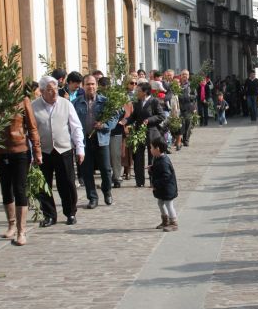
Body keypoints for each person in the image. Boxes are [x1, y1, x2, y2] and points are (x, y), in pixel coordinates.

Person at [0, 81, 42, 246]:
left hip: (20, 150)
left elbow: (32, 127)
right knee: (6, 189)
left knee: (20, 189)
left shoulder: (23, 100)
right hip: (0, 151)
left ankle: (22, 230)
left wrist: (37, 150)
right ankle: (11, 224)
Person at [32, 76, 84, 227]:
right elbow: (30, 130)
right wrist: (33, 152)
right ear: (41, 91)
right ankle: (49, 215)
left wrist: (80, 148)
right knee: (44, 185)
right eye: (49, 90)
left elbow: (76, 127)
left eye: (55, 89)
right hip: (44, 151)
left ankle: (70, 212)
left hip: (64, 148)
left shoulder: (66, 104)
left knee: (67, 183)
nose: (54, 93)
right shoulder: (34, 106)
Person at [73, 74, 117, 209]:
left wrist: (104, 125)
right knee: (87, 171)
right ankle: (92, 197)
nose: (90, 87)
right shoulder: (76, 102)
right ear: (83, 86)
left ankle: (107, 190)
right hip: (85, 140)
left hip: (101, 139)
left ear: (96, 86)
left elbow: (114, 118)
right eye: (87, 84)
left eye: (93, 84)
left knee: (105, 169)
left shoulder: (105, 102)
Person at [124, 82, 165, 188]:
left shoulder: (154, 101)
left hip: (152, 133)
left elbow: (161, 116)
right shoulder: (137, 102)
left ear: (145, 92)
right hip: (139, 133)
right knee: (138, 158)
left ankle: (153, 180)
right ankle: (139, 181)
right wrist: (125, 121)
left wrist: (149, 120)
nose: (136, 92)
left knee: (152, 158)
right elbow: (133, 117)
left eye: (138, 91)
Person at [150, 137, 178, 232]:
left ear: (157, 149)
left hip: (167, 188)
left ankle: (173, 222)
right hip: (162, 188)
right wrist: (152, 168)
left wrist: (156, 184)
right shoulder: (158, 158)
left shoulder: (164, 161)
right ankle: (165, 221)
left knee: (169, 204)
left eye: (151, 148)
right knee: (160, 203)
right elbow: (158, 171)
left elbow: (166, 176)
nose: (150, 150)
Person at [178, 70, 195, 145]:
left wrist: (189, 96)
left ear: (188, 76)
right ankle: (179, 139)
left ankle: (186, 140)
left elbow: (195, 95)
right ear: (181, 75)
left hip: (188, 106)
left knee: (188, 122)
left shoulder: (191, 85)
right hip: (179, 106)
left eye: (186, 74)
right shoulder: (177, 84)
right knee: (181, 123)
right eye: (183, 74)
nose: (185, 76)